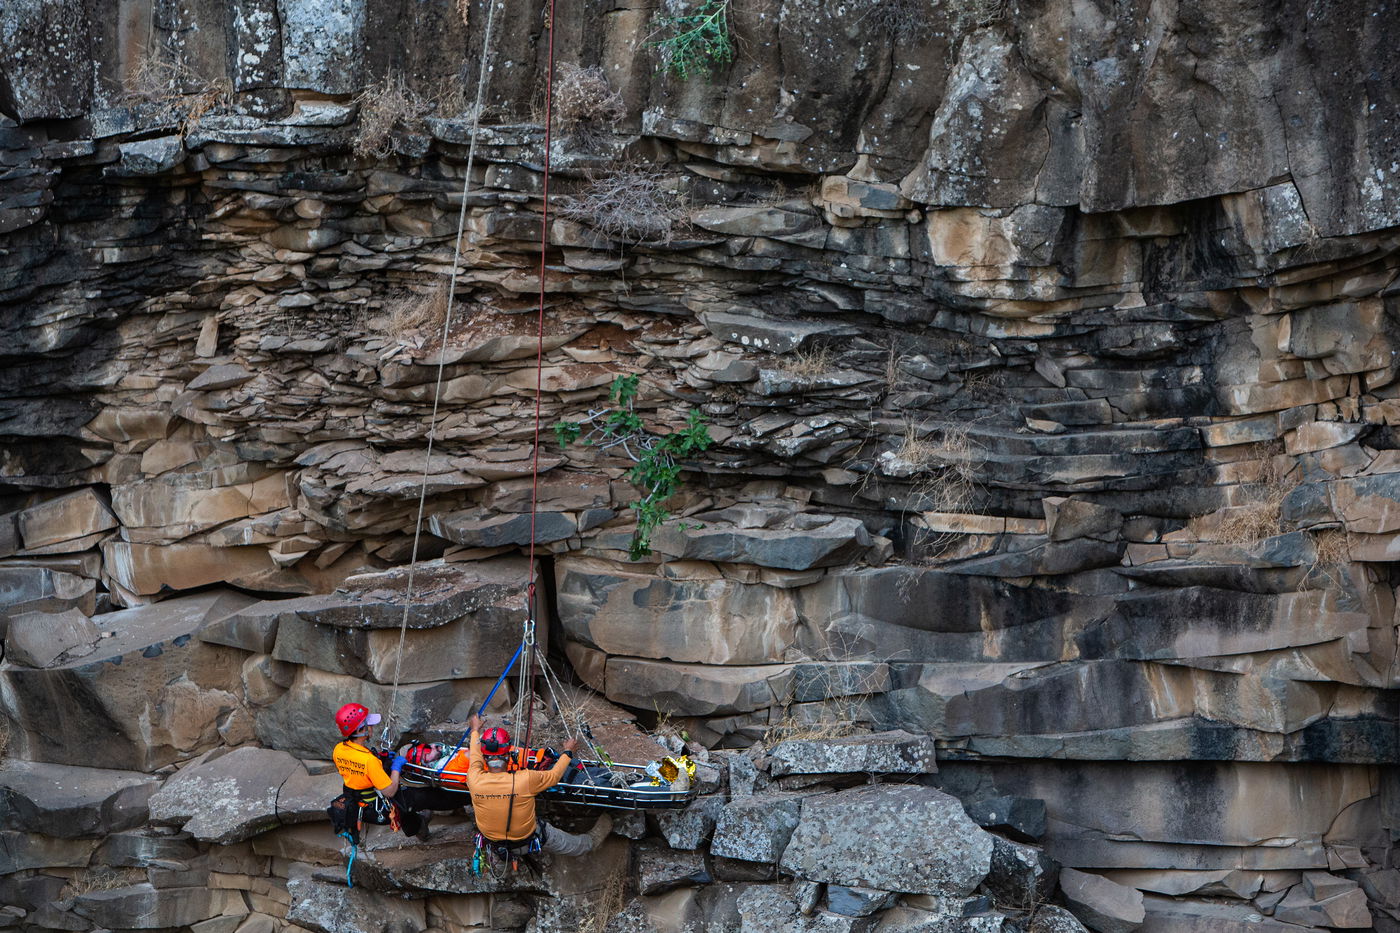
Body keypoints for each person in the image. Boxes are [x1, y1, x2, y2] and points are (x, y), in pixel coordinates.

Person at [464, 712, 611, 857]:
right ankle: (593, 840)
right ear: (509, 755)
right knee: (575, 845)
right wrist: (568, 752)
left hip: (494, 842)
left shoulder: (474, 779)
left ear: (485, 758)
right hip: (526, 839)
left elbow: (475, 759)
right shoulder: (525, 779)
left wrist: (475, 731)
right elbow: (553, 776)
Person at [331, 703, 463, 839]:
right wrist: (396, 768)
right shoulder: (368, 760)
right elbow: (389, 791)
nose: (372, 727)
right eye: (369, 724)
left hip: (357, 799)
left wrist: (382, 761)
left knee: (407, 800)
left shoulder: (339, 749)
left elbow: (357, 769)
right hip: (377, 807)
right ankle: (466, 799)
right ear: (361, 730)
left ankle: (419, 826)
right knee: (420, 797)